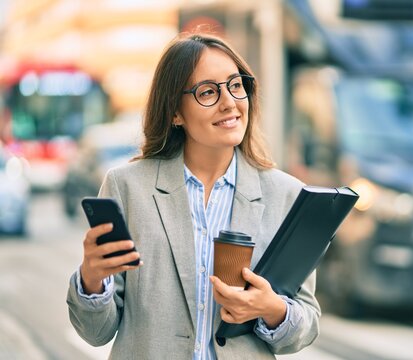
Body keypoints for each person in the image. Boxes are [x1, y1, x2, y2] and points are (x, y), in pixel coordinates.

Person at [66, 33, 320, 359]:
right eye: (208, 92)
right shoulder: (127, 187)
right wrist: (91, 279)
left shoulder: (287, 195)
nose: (229, 102)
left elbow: (307, 324)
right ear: (175, 113)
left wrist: (272, 310)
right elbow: (95, 332)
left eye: (236, 85)